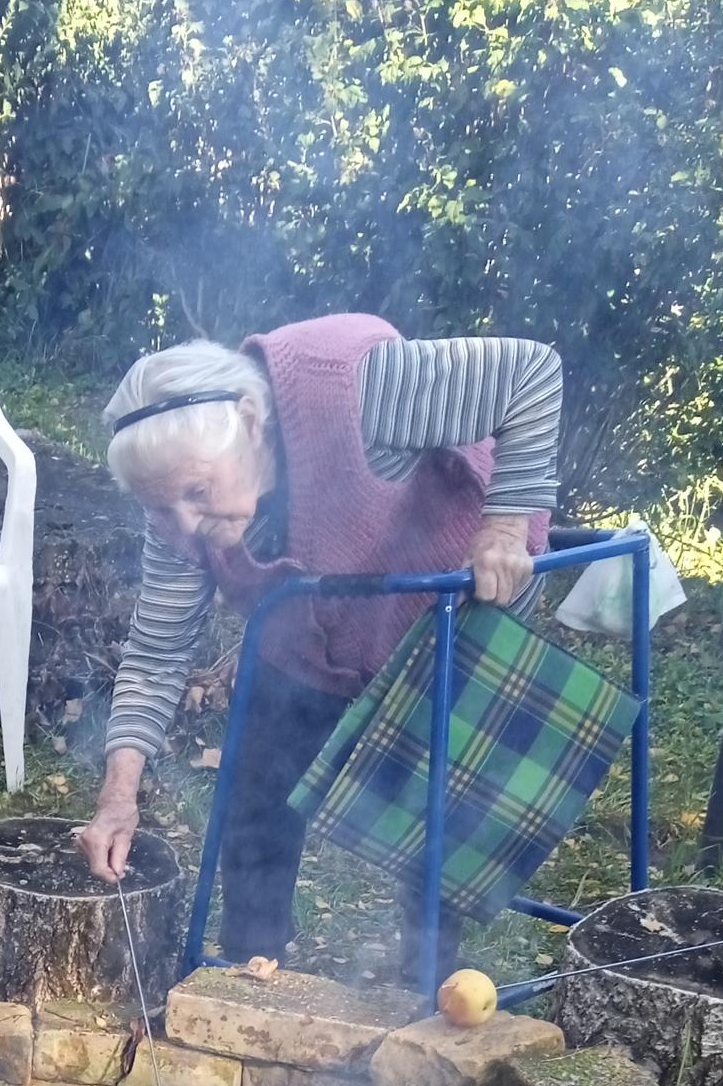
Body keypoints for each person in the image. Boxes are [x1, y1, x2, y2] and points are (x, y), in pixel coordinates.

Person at [75, 320, 562, 980]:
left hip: (448, 615)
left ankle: (426, 985)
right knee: (257, 799)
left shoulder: (353, 388)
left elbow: (529, 374)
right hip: (313, 636)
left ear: (249, 421)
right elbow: (158, 650)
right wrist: (118, 796)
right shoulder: (177, 506)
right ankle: (253, 975)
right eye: (164, 507)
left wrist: (506, 525)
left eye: (195, 492)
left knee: (435, 823)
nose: (187, 524)